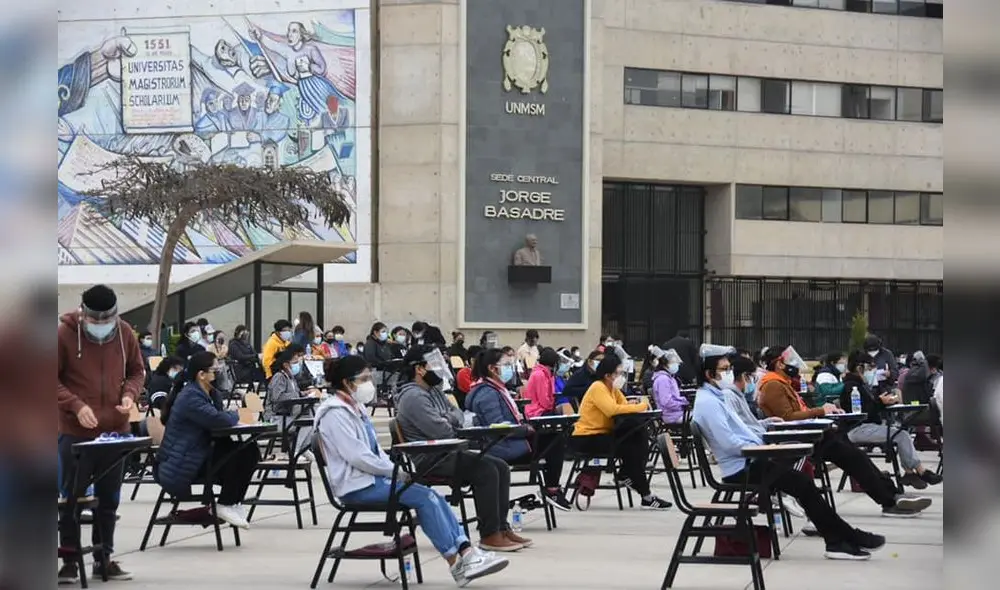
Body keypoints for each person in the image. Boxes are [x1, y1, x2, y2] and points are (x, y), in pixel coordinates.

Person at [314, 356, 509, 585]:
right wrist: (393, 471)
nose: (369, 384)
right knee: (426, 498)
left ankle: (467, 552)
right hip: (356, 486)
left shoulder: (356, 409)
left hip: (372, 479)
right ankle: (457, 562)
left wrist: (391, 470)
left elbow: (374, 452)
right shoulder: (334, 414)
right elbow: (358, 456)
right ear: (347, 383)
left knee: (433, 496)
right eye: (364, 379)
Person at [692, 352, 887, 560]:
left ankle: (841, 539)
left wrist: (765, 428)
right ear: (709, 374)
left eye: (730, 369)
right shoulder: (709, 403)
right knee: (802, 484)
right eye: (724, 370)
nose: (730, 373)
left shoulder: (716, 397)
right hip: (741, 467)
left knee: (803, 482)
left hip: (750, 460)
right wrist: (761, 447)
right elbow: (729, 443)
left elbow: (742, 430)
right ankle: (843, 539)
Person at [756, 346, 931, 517]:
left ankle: (892, 496)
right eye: (790, 361)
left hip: (811, 433)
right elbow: (788, 417)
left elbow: (796, 414)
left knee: (858, 457)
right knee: (854, 458)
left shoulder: (782, 383)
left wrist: (824, 412)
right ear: (779, 364)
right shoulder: (773, 385)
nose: (794, 365)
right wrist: (820, 410)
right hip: (800, 438)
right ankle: (890, 499)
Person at [394, 345, 526, 551]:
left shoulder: (433, 391)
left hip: (449, 451)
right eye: (434, 364)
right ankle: (489, 535)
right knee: (487, 470)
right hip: (432, 458)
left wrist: (447, 418)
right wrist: (450, 419)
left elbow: (459, 415)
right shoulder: (413, 397)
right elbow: (442, 431)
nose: (440, 368)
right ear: (419, 369)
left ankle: (501, 528)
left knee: (500, 466)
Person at [57, 285, 145, 583]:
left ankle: (103, 557)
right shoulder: (63, 334)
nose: (101, 326)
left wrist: (130, 395)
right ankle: (69, 560)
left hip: (114, 431)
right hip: (74, 431)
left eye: (106, 320)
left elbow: (137, 371)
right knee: (72, 497)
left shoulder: (124, 333)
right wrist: (75, 405)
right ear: (83, 314)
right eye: (95, 321)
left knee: (109, 498)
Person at [156, 352, 260, 530]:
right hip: (182, 462)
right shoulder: (190, 397)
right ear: (201, 374)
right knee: (237, 455)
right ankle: (225, 503)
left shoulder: (210, 394)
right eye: (214, 370)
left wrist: (228, 414)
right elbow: (219, 419)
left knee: (249, 450)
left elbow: (220, 419)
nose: (218, 372)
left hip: (199, 452)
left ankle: (233, 502)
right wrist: (235, 414)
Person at [465, 348, 572, 511]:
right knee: (554, 441)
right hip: (502, 447)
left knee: (554, 436)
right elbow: (498, 427)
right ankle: (552, 490)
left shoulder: (496, 388)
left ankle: (552, 488)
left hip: (511, 440)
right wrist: (526, 430)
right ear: (492, 368)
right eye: (506, 365)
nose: (511, 369)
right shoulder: (487, 394)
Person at [571, 355, 671, 510]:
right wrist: (641, 406)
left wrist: (633, 405)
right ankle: (643, 492)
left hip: (603, 434)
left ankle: (629, 478)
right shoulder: (598, 387)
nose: (621, 376)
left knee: (638, 434)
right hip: (588, 437)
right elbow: (612, 410)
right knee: (633, 449)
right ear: (608, 375)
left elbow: (624, 405)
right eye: (618, 373)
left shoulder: (612, 389)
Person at [840, 350, 942, 489]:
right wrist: (880, 402)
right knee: (901, 435)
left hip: (866, 426)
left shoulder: (860, 385)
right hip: (857, 428)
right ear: (859, 368)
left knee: (900, 433)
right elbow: (861, 412)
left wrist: (882, 402)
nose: (873, 372)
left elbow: (869, 408)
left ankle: (911, 472)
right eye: (870, 368)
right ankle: (919, 471)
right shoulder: (852, 387)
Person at [264, 346, 319, 426]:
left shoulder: (291, 377)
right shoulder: (279, 376)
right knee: (308, 425)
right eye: (295, 362)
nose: (297, 365)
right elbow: (278, 397)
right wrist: (299, 394)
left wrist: (305, 393)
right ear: (286, 365)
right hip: (277, 418)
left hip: (290, 415)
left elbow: (295, 393)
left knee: (313, 417)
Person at [651, 348, 687, 424]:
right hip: (671, 416)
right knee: (700, 419)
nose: (676, 364)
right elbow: (667, 402)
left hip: (676, 413)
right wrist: (682, 404)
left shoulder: (670, 377)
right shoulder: (663, 379)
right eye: (673, 362)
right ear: (665, 364)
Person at [522, 347, 559, 419]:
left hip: (542, 409)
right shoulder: (540, 374)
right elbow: (544, 400)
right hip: (535, 412)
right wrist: (551, 407)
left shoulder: (547, 374)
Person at [455, 345, 483, 409]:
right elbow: (475, 392)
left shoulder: (482, 372)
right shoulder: (463, 373)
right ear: (472, 360)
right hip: (468, 408)